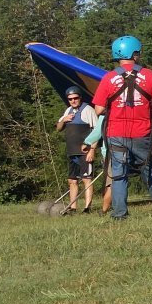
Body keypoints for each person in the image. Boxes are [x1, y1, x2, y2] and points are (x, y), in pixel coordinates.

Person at [91, 35, 152, 219]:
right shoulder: (149, 75)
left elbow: (99, 110)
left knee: (119, 174)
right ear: (135, 54)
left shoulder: (108, 78)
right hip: (142, 133)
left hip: (116, 134)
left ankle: (119, 214)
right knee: (150, 169)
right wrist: (146, 107)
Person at [55, 86, 97, 214]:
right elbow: (58, 128)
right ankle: (73, 208)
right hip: (72, 151)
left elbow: (97, 131)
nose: (73, 101)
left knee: (86, 179)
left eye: (75, 98)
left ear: (80, 97)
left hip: (85, 152)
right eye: (70, 99)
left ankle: (87, 208)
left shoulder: (88, 110)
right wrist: (64, 120)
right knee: (72, 180)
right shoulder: (68, 110)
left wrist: (92, 150)